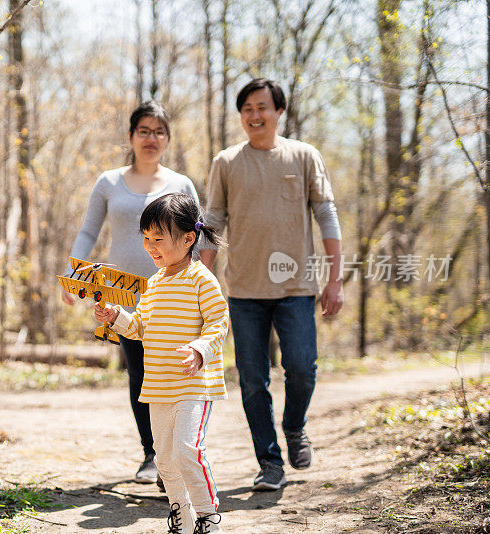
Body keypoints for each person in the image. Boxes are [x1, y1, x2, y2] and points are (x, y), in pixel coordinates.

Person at [199, 78, 344, 492]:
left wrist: (336, 280)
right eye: (246, 108)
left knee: (301, 368)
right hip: (243, 291)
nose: (254, 115)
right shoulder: (226, 162)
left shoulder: (303, 156)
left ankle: (294, 426)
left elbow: (326, 215)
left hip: (297, 287)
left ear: (279, 111)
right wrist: (201, 279)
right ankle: (269, 462)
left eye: (262, 107)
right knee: (251, 379)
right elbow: (213, 221)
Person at [62, 101, 205, 486]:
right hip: (123, 296)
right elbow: (90, 231)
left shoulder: (181, 185)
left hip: (174, 295)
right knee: (140, 374)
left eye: (159, 131)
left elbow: (199, 238)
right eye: (144, 130)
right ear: (131, 136)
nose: (151, 138)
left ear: (167, 139)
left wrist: (202, 286)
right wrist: (72, 273)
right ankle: (152, 456)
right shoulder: (109, 182)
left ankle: (176, 454)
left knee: (175, 373)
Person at [94, 193, 228, 534]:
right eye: (146, 238)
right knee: (166, 461)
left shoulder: (201, 279)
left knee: (188, 451)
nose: (151, 246)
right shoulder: (153, 284)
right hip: (159, 386)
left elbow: (219, 322)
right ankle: (181, 518)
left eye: (159, 239)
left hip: (194, 385)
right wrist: (115, 317)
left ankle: (208, 516)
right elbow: (140, 328)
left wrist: (200, 350)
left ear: (188, 238)